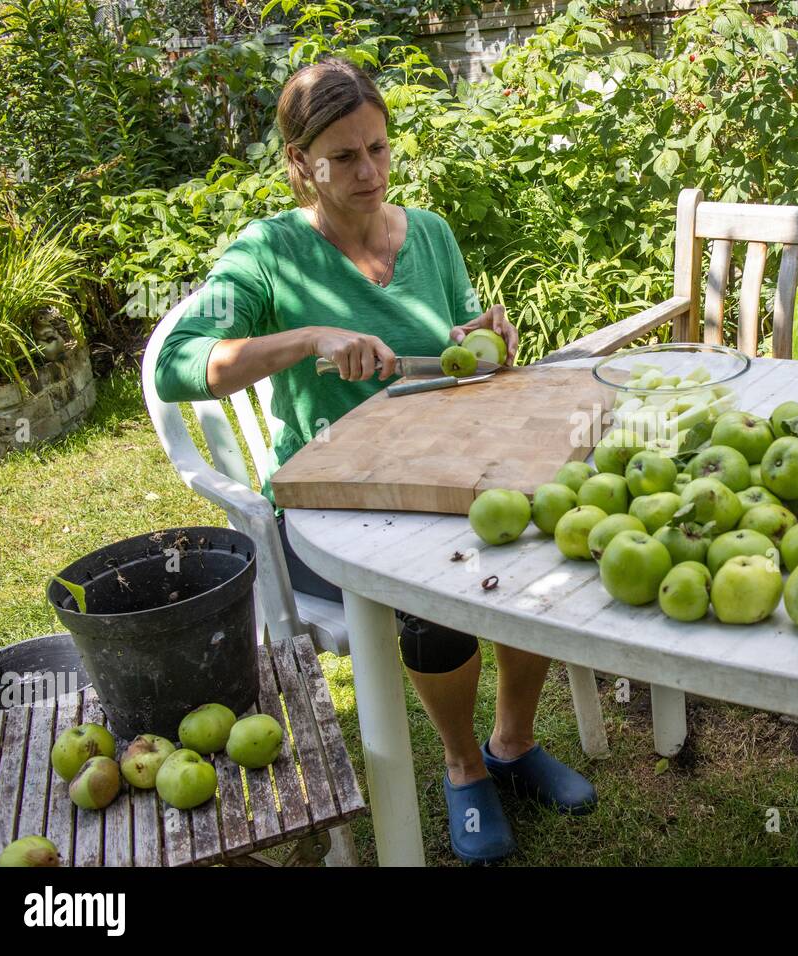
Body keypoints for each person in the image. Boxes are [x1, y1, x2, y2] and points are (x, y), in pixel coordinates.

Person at [153, 56, 595, 864]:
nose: (371, 172)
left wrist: (479, 340)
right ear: (299, 164)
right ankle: (463, 769)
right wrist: (307, 338)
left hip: (445, 475)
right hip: (328, 515)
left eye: (380, 149)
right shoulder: (268, 252)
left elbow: (466, 354)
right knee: (432, 589)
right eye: (345, 157)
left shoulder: (427, 233)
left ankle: (512, 743)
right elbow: (179, 362)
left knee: (542, 547)